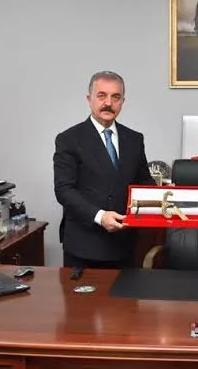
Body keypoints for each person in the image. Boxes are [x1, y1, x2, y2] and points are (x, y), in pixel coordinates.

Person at [53, 70, 154, 269]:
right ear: (89, 99)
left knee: (126, 291)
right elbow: (64, 190)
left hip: (124, 243)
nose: (108, 103)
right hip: (84, 246)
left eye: (115, 97)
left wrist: (167, 196)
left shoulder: (134, 139)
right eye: (101, 96)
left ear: (123, 101)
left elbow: (144, 182)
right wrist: (100, 216)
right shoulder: (69, 139)